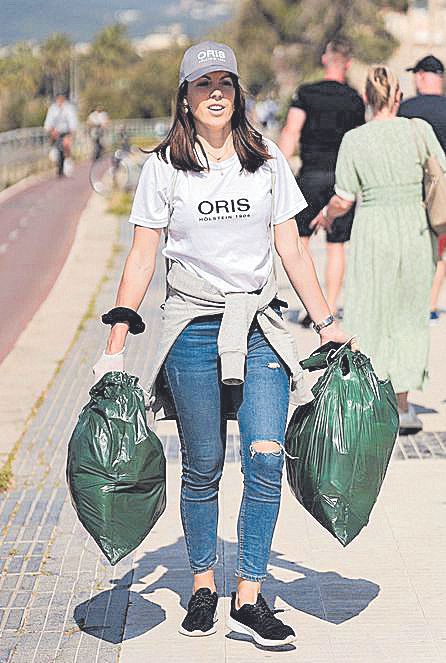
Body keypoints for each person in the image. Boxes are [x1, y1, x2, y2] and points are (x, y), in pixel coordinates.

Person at [93, 40, 352, 647]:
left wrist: (325, 321)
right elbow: (142, 254)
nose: (216, 92)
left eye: (226, 82)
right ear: (184, 97)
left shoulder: (265, 162)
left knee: (264, 456)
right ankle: (205, 584)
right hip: (190, 328)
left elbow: (291, 247)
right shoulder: (163, 168)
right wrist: (115, 342)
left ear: (237, 94)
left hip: (260, 326)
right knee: (204, 465)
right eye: (203, 82)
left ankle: (251, 596)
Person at [311, 65, 446, 433]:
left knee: (369, 314)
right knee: (408, 317)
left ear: (368, 99)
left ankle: (369, 399)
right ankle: (403, 406)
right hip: (416, 231)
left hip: (373, 231)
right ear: (398, 96)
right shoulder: (419, 131)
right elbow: (441, 173)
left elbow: (344, 197)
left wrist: (325, 215)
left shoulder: (355, 140)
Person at [279, 39, 365, 324]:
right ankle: (329, 304)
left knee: (301, 242)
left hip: (311, 176)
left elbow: (291, 132)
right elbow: (357, 142)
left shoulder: (306, 93)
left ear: (325, 59)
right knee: (336, 244)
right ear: (348, 63)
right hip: (342, 178)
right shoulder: (355, 99)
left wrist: (276, 172)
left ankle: (310, 306)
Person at [399, 55, 446, 322]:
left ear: (420, 76)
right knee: (439, 249)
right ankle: (429, 305)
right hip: (444, 192)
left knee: (412, 248)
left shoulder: (406, 109)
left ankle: (410, 302)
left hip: (412, 188)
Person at [43, 93, 78, 176]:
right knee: (57, 150)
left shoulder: (69, 108)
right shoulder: (53, 109)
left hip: (66, 131)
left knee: (66, 146)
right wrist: (50, 130)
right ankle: (59, 168)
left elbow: (72, 120)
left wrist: (71, 132)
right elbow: (49, 121)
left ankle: (67, 162)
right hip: (56, 132)